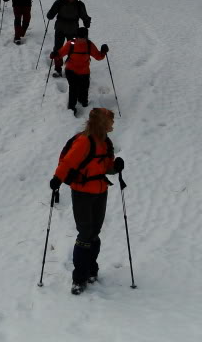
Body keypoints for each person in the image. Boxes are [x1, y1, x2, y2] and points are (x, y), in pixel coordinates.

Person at [50, 107, 124, 295]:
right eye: (110, 121)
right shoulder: (84, 141)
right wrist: (57, 180)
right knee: (85, 233)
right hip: (82, 192)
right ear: (102, 123)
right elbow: (68, 162)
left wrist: (116, 167)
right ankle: (79, 279)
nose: (113, 124)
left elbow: (107, 166)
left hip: (100, 190)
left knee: (95, 232)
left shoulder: (106, 142)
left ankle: (92, 269)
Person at [50, 27, 107, 116]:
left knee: (84, 88)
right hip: (71, 70)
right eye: (79, 37)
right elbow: (61, 53)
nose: (81, 40)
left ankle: (83, 102)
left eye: (83, 38)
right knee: (74, 88)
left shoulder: (89, 45)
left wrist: (103, 52)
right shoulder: (71, 44)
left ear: (86, 37)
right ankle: (71, 108)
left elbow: (98, 56)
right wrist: (55, 54)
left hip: (84, 71)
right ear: (76, 36)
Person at [46, 0, 91, 77]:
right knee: (58, 49)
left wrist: (86, 22)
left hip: (73, 30)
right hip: (60, 29)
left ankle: (71, 68)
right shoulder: (59, 3)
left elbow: (84, 15)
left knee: (73, 50)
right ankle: (58, 69)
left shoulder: (79, 5)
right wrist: (50, 15)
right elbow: (51, 14)